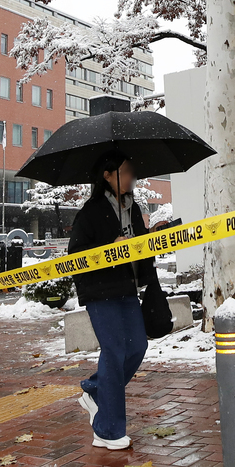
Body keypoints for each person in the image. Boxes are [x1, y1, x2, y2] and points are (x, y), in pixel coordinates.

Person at [68, 152, 166, 450]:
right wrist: (108, 248)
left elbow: (138, 247)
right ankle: (107, 430)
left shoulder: (133, 209)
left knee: (137, 347)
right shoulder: (90, 212)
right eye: (124, 172)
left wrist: (153, 237)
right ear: (107, 175)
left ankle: (96, 392)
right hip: (100, 291)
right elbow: (76, 255)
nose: (131, 177)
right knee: (114, 351)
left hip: (127, 290)